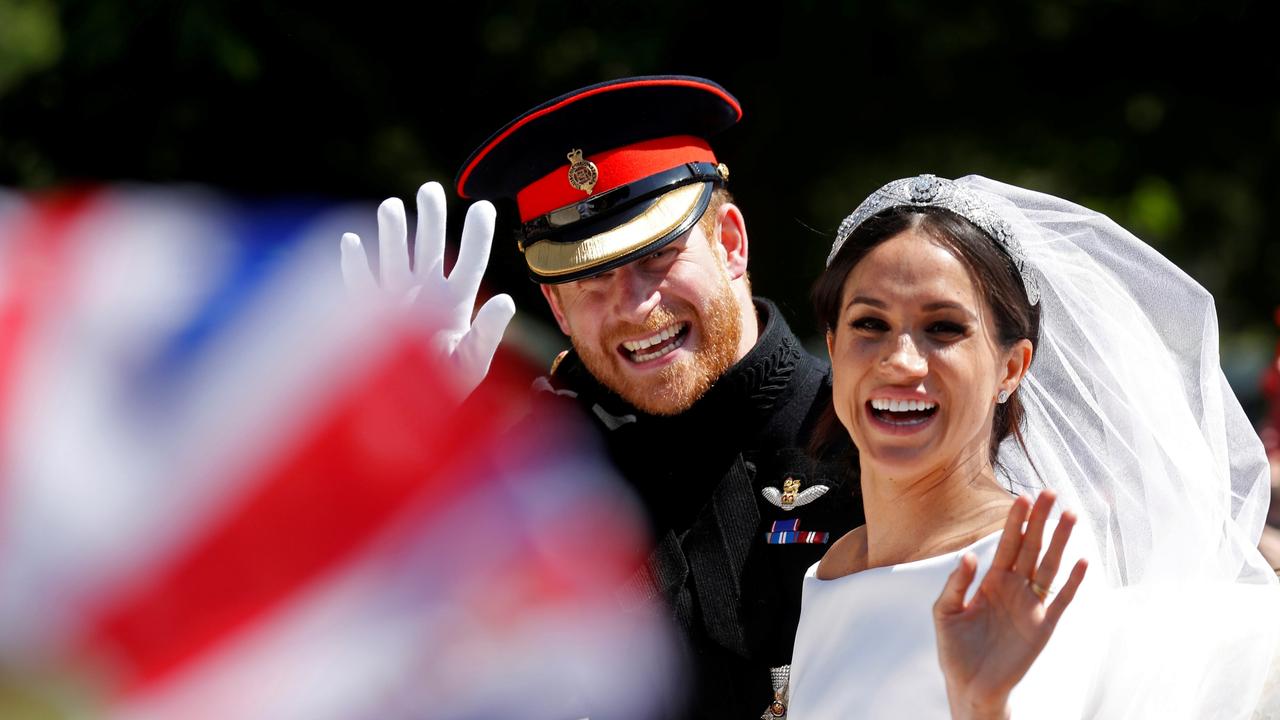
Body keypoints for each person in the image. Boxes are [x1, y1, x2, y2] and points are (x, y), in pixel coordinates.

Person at [340, 76, 861, 718]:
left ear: (729, 242)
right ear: (555, 305)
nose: (636, 307)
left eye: (657, 258)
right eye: (590, 279)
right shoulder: (534, 474)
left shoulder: (865, 435)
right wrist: (414, 479)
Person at [786, 174, 1280, 717]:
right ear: (833, 351)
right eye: (870, 323)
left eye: (944, 328)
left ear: (1011, 367)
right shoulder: (835, 567)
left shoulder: (1033, 566)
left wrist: (984, 706)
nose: (901, 360)